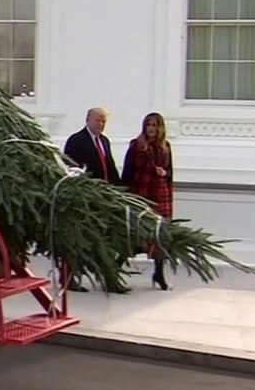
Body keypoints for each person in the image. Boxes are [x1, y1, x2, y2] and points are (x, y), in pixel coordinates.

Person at [61, 107, 129, 293]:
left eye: (104, 121)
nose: (101, 124)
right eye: (98, 120)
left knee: (106, 238)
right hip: (86, 198)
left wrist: (120, 189)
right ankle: (69, 277)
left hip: (104, 197)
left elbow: (109, 166)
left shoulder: (104, 141)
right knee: (81, 239)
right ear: (88, 120)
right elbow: (70, 168)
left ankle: (109, 277)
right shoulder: (77, 141)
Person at [121, 112, 175, 291]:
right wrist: (125, 195)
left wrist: (164, 173)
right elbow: (128, 172)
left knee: (160, 235)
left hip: (160, 194)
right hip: (142, 193)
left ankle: (159, 273)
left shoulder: (165, 146)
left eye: (154, 125)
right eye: (148, 125)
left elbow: (170, 173)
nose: (151, 128)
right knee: (135, 234)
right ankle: (115, 267)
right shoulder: (136, 145)